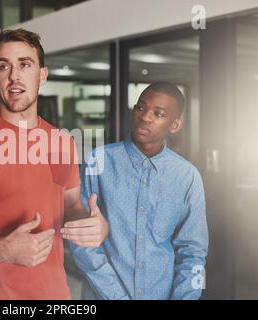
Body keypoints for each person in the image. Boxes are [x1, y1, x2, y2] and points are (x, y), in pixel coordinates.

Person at [0, 28, 109, 300]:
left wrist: (95, 226)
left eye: (25, 64)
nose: (14, 76)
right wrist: (0, 250)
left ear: (42, 75)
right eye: (4, 66)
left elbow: (71, 205)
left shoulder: (61, 142)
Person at [70, 82, 208, 300]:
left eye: (158, 113)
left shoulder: (187, 177)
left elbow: (192, 252)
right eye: (141, 108)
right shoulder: (99, 160)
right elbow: (81, 240)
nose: (145, 117)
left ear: (175, 125)